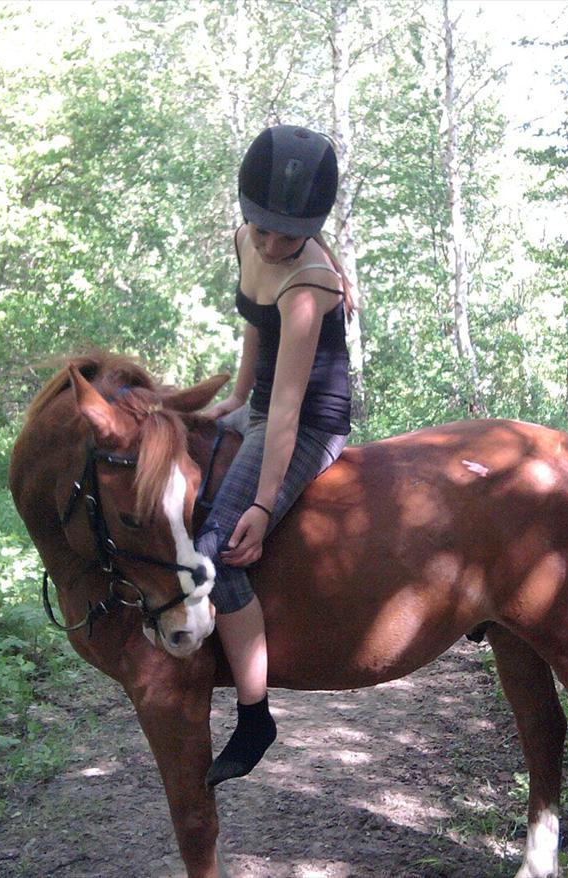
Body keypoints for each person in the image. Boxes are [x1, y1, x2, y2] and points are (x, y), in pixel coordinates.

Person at [196, 124, 354, 787]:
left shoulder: (311, 284)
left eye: (285, 236)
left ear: (312, 229)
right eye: (259, 228)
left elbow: (289, 408)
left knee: (216, 550)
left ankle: (254, 715)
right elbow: (251, 329)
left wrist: (261, 505)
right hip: (261, 405)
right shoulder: (246, 240)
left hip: (309, 421)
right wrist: (232, 400)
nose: (268, 244)